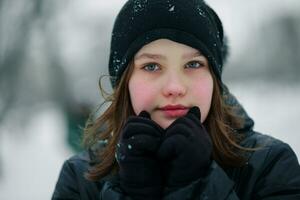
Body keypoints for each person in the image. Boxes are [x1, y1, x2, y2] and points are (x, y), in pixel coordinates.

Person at [52, 0, 300, 199]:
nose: (174, 87)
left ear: (215, 80)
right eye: (151, 66)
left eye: (193, 64)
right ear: (124, 82)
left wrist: (199, 187)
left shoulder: (270, 165)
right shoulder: (80, 179)